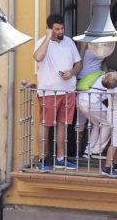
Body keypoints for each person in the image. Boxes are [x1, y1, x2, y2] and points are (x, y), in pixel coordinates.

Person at [33, 14, 82, 171]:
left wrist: (72, 72)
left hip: (68, 91)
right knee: (45, 124)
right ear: (49, 29)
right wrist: (48, 38)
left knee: (63, 124)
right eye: (56, 29)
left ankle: (61, 158)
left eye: (62, 28)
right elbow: (38, 57)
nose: (60, 31)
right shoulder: (41, 43)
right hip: (48, 92)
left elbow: (78, 63)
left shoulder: (68, 42)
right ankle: (42, 159)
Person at [75, 70, 108, 159]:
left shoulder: (98, 76)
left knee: (96, 124)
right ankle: (97, 152)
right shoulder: (111, 78)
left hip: (80, 101)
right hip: (91, 102)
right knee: (108, 123)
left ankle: (88, 151)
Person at [100, 72, 117, 177]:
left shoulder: (111, 88)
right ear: (116, 81)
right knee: (115, 143)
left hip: (111, 116)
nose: (116, 73)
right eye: (114, 74)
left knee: (115, 140)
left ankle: (116, 163)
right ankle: (107, 167)